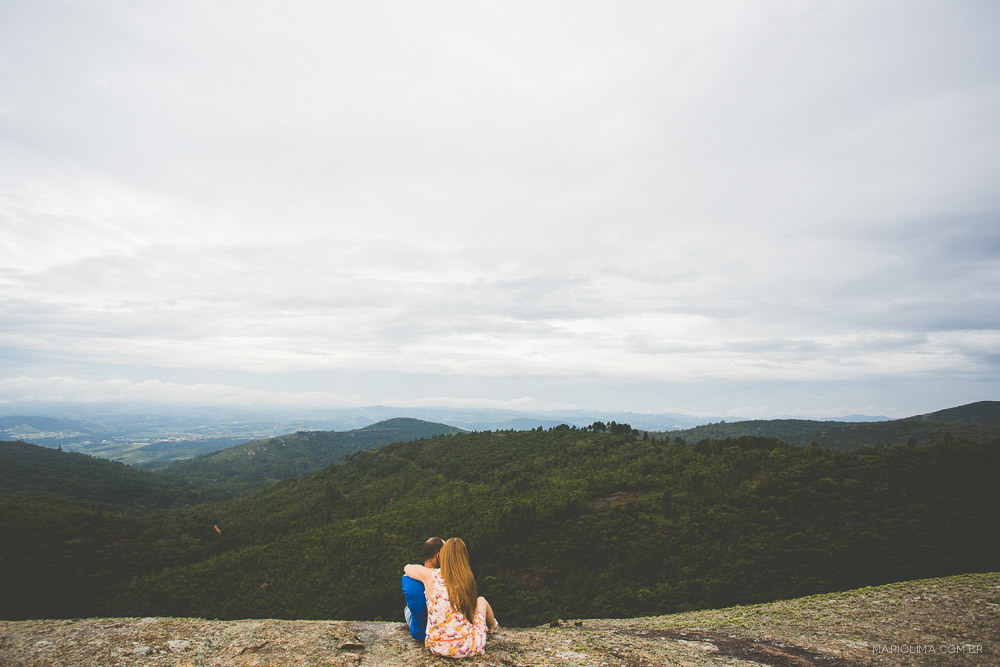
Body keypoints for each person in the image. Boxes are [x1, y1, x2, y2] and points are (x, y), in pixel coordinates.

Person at [404, 537, 499, 659]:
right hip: (465, 648)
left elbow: (408, 567)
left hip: (436, 646)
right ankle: (493, 626)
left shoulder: (430, 575)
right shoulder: (466, 580)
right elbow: (470, 614)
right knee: (481, 601)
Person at [401, 537, 444, 641]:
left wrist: (407, 566)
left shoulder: (406, 578)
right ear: (438, 556)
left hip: (419, 633)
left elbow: (408, 567)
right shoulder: (443, 577)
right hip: (441, 633)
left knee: (408, 609)